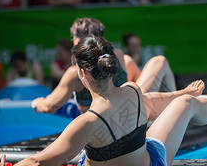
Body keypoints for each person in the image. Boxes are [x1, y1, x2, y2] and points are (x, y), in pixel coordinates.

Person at [0, 35, 207, 166]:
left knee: (95, 146)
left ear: (82, 74)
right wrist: (181, 95)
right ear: (113, 68)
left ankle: (206, 104)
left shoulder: (85, 123)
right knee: (185, 105)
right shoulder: (133, 91)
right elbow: (154, 103)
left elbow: (40, 162)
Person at [32, 17, 176, 115]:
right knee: (159, 61)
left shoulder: (75, 73)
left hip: (106, 123)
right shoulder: (118, 55)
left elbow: (50, 107)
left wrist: (38, 103)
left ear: (77, 40)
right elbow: (136, 83)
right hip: (132, 112)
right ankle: (172, 112)